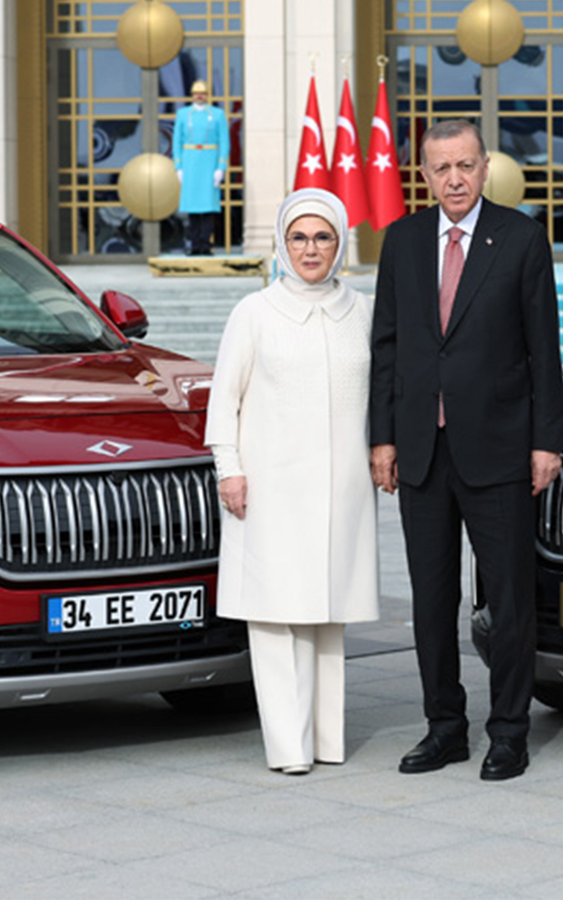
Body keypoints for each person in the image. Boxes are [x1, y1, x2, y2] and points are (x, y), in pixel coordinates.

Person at [369, 119, 563, 782]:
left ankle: (508, 731)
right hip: (422, 450)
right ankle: (444, 728)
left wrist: (546, 441)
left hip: (501, 448)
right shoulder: (402, 241)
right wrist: (383, 436)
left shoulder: (521, 238)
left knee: (508, 600)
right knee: (430, 600)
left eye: (465, 165)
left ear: (485, 168)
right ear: (424, 175)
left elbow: (544, 349)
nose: (454, 179)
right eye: (441, 168)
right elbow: (387, 346)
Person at [204, 188, 379, 775]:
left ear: (340, 243)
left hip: (343, 488)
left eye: (323, 237)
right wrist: (229, 469)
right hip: (272, 487)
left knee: (328, 613)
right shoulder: (254, 312)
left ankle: (326, 740)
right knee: (277, 612)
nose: (310, 249)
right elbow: (224, 399)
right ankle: (288, 747)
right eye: (299, 237)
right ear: (282, 243)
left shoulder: (362, 310)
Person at [173, 80, 229, 256]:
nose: (199, 96)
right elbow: (177, 141)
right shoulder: (183, 114)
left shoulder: (217, 114)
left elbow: (224, 141)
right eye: (196, 93)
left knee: (208, 207)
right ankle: (194, 244)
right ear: (192, 95)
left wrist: (220, 167)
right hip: (190, 162)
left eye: (202, 93)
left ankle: (206, 244)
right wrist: (178, 166)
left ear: (207, 95)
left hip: (209, 161)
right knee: (193, 208)